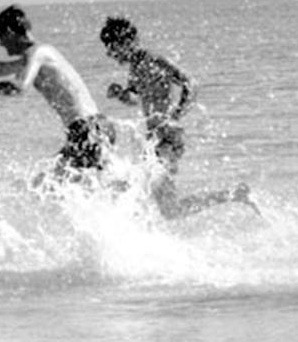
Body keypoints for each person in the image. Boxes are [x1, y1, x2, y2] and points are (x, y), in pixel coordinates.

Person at [100, 16, 259, 219]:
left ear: (126, 42)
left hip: (167, 138)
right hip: (153, 140)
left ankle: (235, 195)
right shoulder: (134, 69)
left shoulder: (153, 59)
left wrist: (176, 115)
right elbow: (137, 100)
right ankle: (235, 194)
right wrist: (121, 94)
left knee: (138, 190)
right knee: (170, 210)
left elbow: (190, 83)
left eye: (112, 48)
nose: (110, 54)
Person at [0, 5, 116, 184]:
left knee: (45, 186)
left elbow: (19, 87)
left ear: (9, 32)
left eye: (0, 37)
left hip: (87, 130)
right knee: (78, 187)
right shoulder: (38, 54)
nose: (0, 43)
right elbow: (1, 68)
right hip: (95, 127)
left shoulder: (38, 52)